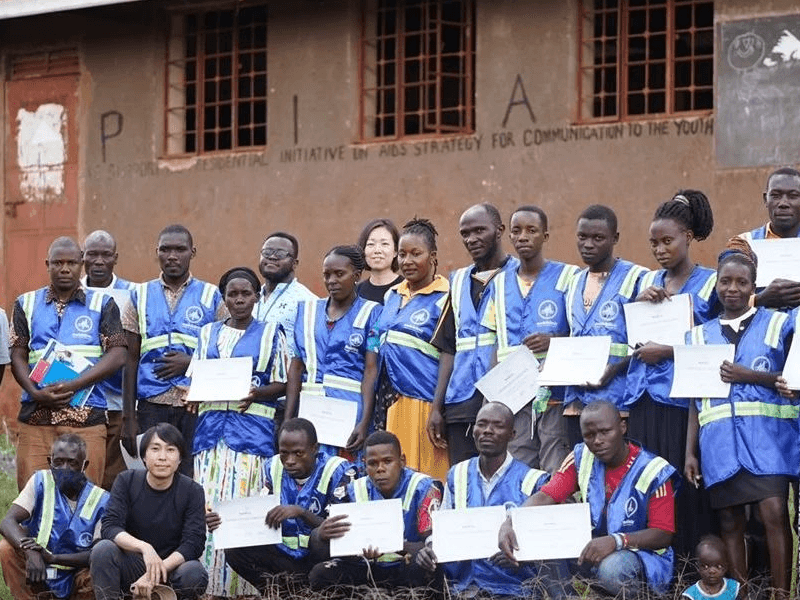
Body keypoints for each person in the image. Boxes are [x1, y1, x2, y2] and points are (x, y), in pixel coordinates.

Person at [684, 240, 797, 598]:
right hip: (719, 445)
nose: (732, 289)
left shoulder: (780, 325)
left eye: (741, 283)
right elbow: (693, 399)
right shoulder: (698, 335)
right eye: (725, 282)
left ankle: (780, 593)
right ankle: (741, 594)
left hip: (768, 443)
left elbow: (791, 380)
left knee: (774, 514)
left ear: (754, 286)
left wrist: (750, 376)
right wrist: (691, 452)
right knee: (730, 522)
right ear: (716, 285)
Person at [499, 400, 678, 597]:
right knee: (545, 540)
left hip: (641, 555)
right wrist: (511, 520)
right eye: (589, 436)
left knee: (612, 570)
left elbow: (663, 534)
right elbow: (547, 495)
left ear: (622, 427)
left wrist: (616, 541)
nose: (597, 441)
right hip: (593, 545)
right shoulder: (581, 457)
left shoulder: (653, 470)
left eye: (605, 432)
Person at [624, 190, 717, 556]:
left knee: (685, 487)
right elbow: (632, 343)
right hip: (645, 402)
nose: (660, 249)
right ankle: (657, 572)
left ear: (688, 237)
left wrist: (667, 351)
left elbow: (717, 345)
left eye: (667, 241)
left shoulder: (710, 284)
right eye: (653, 243)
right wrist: (639, 306)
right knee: (651, 488)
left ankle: (692, 574)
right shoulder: (645, 284)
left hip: (682, 405)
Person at [191, 267, 289, 598]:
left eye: (246, 293)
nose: (239, 300)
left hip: (250, 435)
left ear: (257, 297)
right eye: (232, 294)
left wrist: (256, 393)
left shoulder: (271, 332)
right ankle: (209, 588)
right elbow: (197, 377)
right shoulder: (207, 334)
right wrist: (192, 395)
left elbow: (283, 382)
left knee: (243, 508)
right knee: (209, 509)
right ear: (224, 299)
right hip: (210, 437)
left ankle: (244, 589)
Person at [9, 236, 128, 490]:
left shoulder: (102, 304)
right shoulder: (25, 303)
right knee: (32, 494)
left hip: (86, 418)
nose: (65, 268)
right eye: (57, 262)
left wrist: (74, 384)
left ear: (81, 263)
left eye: (71, 262)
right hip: (36, 416)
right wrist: (34, 392)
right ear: (47, 264)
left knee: (86, 496)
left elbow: (118, 354)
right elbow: (17, 353)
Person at [416, 402, 550, 598]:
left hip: (514, 588)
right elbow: (443, 528)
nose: (488, 431)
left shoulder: (534, 481)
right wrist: (429, 548)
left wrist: (523, 555)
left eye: (498, 425)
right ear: (473, 430)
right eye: (482, 424)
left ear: (512, 434)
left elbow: (546, 543)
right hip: (464, 587)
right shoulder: (457, 474)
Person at [123, 224, 226, 476]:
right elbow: (130, 359)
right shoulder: (139, 294)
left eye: (180, 249)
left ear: (193, 252)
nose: (172, 256)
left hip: (194, 404)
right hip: (151, 404)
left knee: (190, 474)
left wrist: (191, 363)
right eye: (165, 249)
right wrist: (128, 418)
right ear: (156, 252)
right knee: (154, 475)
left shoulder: (212, 296)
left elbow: (226, 355)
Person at [481, 205, 577, 473]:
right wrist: (491, 397)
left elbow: (583, 331)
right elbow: (494, 342)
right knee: (517, 463)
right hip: (512, 393)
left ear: (545, 236)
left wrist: (554, 341)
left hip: (554, 393)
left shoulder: (569, 277)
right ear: (508, 236)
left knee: (554, 463)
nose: (523, 237)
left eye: (531, 230)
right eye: (516, 231)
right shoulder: (498, 285)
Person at [213, 418, 355, 593]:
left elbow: (342, 530)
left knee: (320, 537)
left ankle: (319, 593)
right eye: (284, 453)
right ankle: (279, 592)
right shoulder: (272, 467)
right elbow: (256, 519)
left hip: (321, 561)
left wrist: (301, 512)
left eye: (298, 453)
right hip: (287, 558)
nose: (289, 460)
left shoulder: (338, 471)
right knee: (235, 549)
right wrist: (223, 524)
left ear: (314, 449)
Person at [428, 203, 517, 466]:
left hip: (506, 398)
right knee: (464, 478)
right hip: (461, 403)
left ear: (499, 230)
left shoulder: (519, 277)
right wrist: (437, 406)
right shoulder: (457, 282)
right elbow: (448, 348)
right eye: (465, 233)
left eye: (480, 230)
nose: (472, 239)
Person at [366, 218, 449, 480]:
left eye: (416, 254)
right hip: (392, 405)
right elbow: (376, 345)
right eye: (402, 254)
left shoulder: (446, 296)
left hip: (425, 404)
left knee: (428, 480)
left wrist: (437, 408)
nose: (407, 261)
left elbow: (449, 354)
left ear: (432, 256)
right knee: (396, 480)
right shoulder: (392, 295)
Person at [307, 430, 443, 590]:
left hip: (404, 566)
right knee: (319, 573)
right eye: (373, 463)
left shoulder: (424, 487)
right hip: (366, 566)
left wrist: (391, 544)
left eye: (387, 461)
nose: (380, 469)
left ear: (402, 461)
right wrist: (321, 534)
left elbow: (432, 542)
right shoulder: (351, 490)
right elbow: (331, 548)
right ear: (364, 464)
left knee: (423, 564)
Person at [285, 245, 382, 458]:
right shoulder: (305, 312)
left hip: (349, 412)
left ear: (356, 275)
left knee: (346, 476)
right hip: (310, 412)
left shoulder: (372, 312)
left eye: (339, 274)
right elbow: (296, 368)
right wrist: (288, 419)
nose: (331, 280)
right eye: (326, 275)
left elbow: (371, 371)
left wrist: (365, 422)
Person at [91, 423, 207, 600]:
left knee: (194, 572)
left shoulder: (193, 491)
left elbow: (193, 543)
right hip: (135, 564)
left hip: (171, 569)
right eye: (155, 449)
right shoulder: (126, 481)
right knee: (103, 549)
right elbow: (110, 527)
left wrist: (152, 575)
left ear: (180, 458)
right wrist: (145, 548)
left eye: (170, 450)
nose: (162, 457)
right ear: (144, 456)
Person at [562, 205, 647, 446]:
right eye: (582, 237)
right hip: (576, 404)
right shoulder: (573, 282)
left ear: (615, 238)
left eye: (598, 238)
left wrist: (614, 369)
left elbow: (647, 345)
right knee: (580, 474)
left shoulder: (638, 278)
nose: (588, 244)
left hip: (618, 403)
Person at [0, 434, 108, 600]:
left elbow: (99, 554)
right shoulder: (40, 480)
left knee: (97, 569)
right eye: (58, 462)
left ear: (84, 465)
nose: (64, 468)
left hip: (75, 571)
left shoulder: (102, 499)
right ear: (50, 463)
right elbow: (8, 521)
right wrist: (30, 552)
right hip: (37, 567)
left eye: (72, 462)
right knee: (6, 548)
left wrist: (53, 558)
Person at [81, 230, 137, 491]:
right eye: (92, 254)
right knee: (83, 473)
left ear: (116, 258)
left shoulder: (133, 293)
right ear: (83, 257)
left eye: (106, 255)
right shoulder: (69, 291)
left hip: (119, 402)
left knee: (116, 477)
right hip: (79, 401)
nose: (99, 261)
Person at [740, 167, 800, 309]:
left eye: (793, 196)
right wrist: (759, 299)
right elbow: (723, 300)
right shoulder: (743, 245)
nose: (783, 203)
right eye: (776, 195)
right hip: (759, 330)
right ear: (765, 199)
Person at [252, 232, 317, 348]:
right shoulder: (250, 297)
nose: (272, 257)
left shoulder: (308, 301)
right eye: (267, 252)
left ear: (294, 264)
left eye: (281, 254)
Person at [356, 218, 404, 304]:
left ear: (396, 251)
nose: (377, 250)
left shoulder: (407, 288)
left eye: (384, 244)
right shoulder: (356, 293)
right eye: (371, 244)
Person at [682, 535, 742, 600]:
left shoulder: (732, 588)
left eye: (718, 566)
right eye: (706, 566)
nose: (712, 571)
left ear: (726, 567)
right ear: (697, 567)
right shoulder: (692, 594)